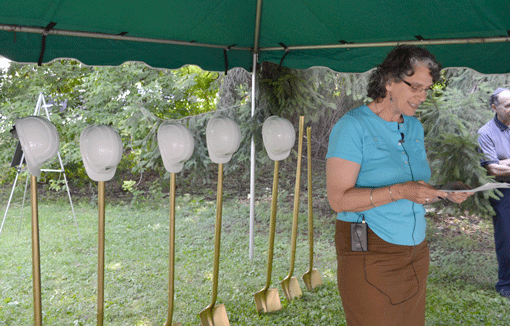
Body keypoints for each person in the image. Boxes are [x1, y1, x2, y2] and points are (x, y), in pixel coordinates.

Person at [326, 45, 472, 326]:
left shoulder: (413, 127)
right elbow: (339, 200)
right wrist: (402, 191)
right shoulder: (353, 127)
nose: (422, 96)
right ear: (389, 81)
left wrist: (443, 190)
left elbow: (415, 184)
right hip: (368, 248)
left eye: (427, 89)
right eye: (415, 86)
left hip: (416, 250)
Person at [477, 87, 510, 299]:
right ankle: (505, 284)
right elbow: (492, 169)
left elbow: (500, 164)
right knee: (506, 238)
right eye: (507, 105)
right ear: (494, 107)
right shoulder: (485, 132)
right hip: (502, 192)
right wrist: (498, 164)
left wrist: (503, 162)